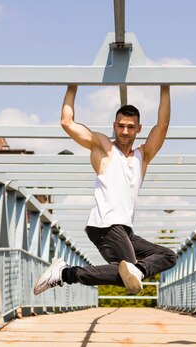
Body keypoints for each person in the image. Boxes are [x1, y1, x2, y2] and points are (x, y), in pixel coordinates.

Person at [33, 85, 177, 296]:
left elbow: (163, 125)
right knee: (128, 277)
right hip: (105, 225)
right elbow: (67, 122)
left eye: (130, 126)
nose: (125, 131)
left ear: (139, 128)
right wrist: (73, 86)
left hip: (125, 230)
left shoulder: (143, 156)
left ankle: (133, 270)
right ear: (114, 126)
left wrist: (165, 87)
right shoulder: (104, 148)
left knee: (167, 257)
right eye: (120, 126)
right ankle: (65, 274)